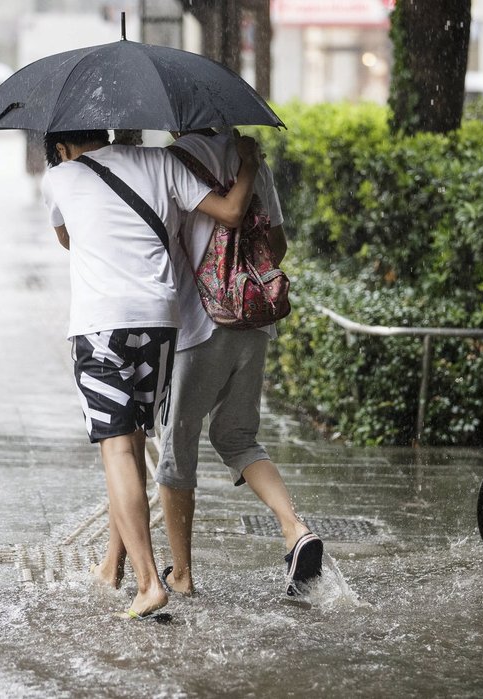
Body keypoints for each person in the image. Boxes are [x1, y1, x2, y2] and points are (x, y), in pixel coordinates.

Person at [40, 128, 262, 618]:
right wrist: (248, 163)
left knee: (117, 447)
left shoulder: (58, 177)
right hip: (161, 322)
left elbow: (67, 239)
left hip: (101, 325)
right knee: (134, 440)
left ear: (60, 145)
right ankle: (113, 564)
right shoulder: (159, 162)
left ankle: (147, 583)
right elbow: (230, 212)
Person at [155, 128, 323, 598]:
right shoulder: (252, 155)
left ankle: (182, 575)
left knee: (177, 444)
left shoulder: (176, 159)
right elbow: (277, 245)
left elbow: (160, 241)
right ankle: (294, 529)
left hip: (199, 323)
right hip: (254, 319)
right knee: (236, 435)